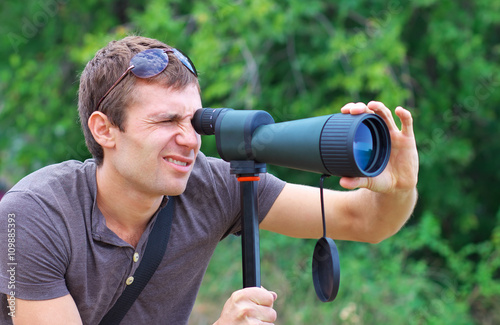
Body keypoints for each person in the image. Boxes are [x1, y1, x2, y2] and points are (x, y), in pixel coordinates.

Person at [0, 36, 418, 324]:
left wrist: (399, 186)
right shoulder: (32, 217)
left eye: (195, 119)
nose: (190, 140)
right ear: (104, 129)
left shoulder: (212, 185)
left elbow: (366, 221)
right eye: (166, 121)